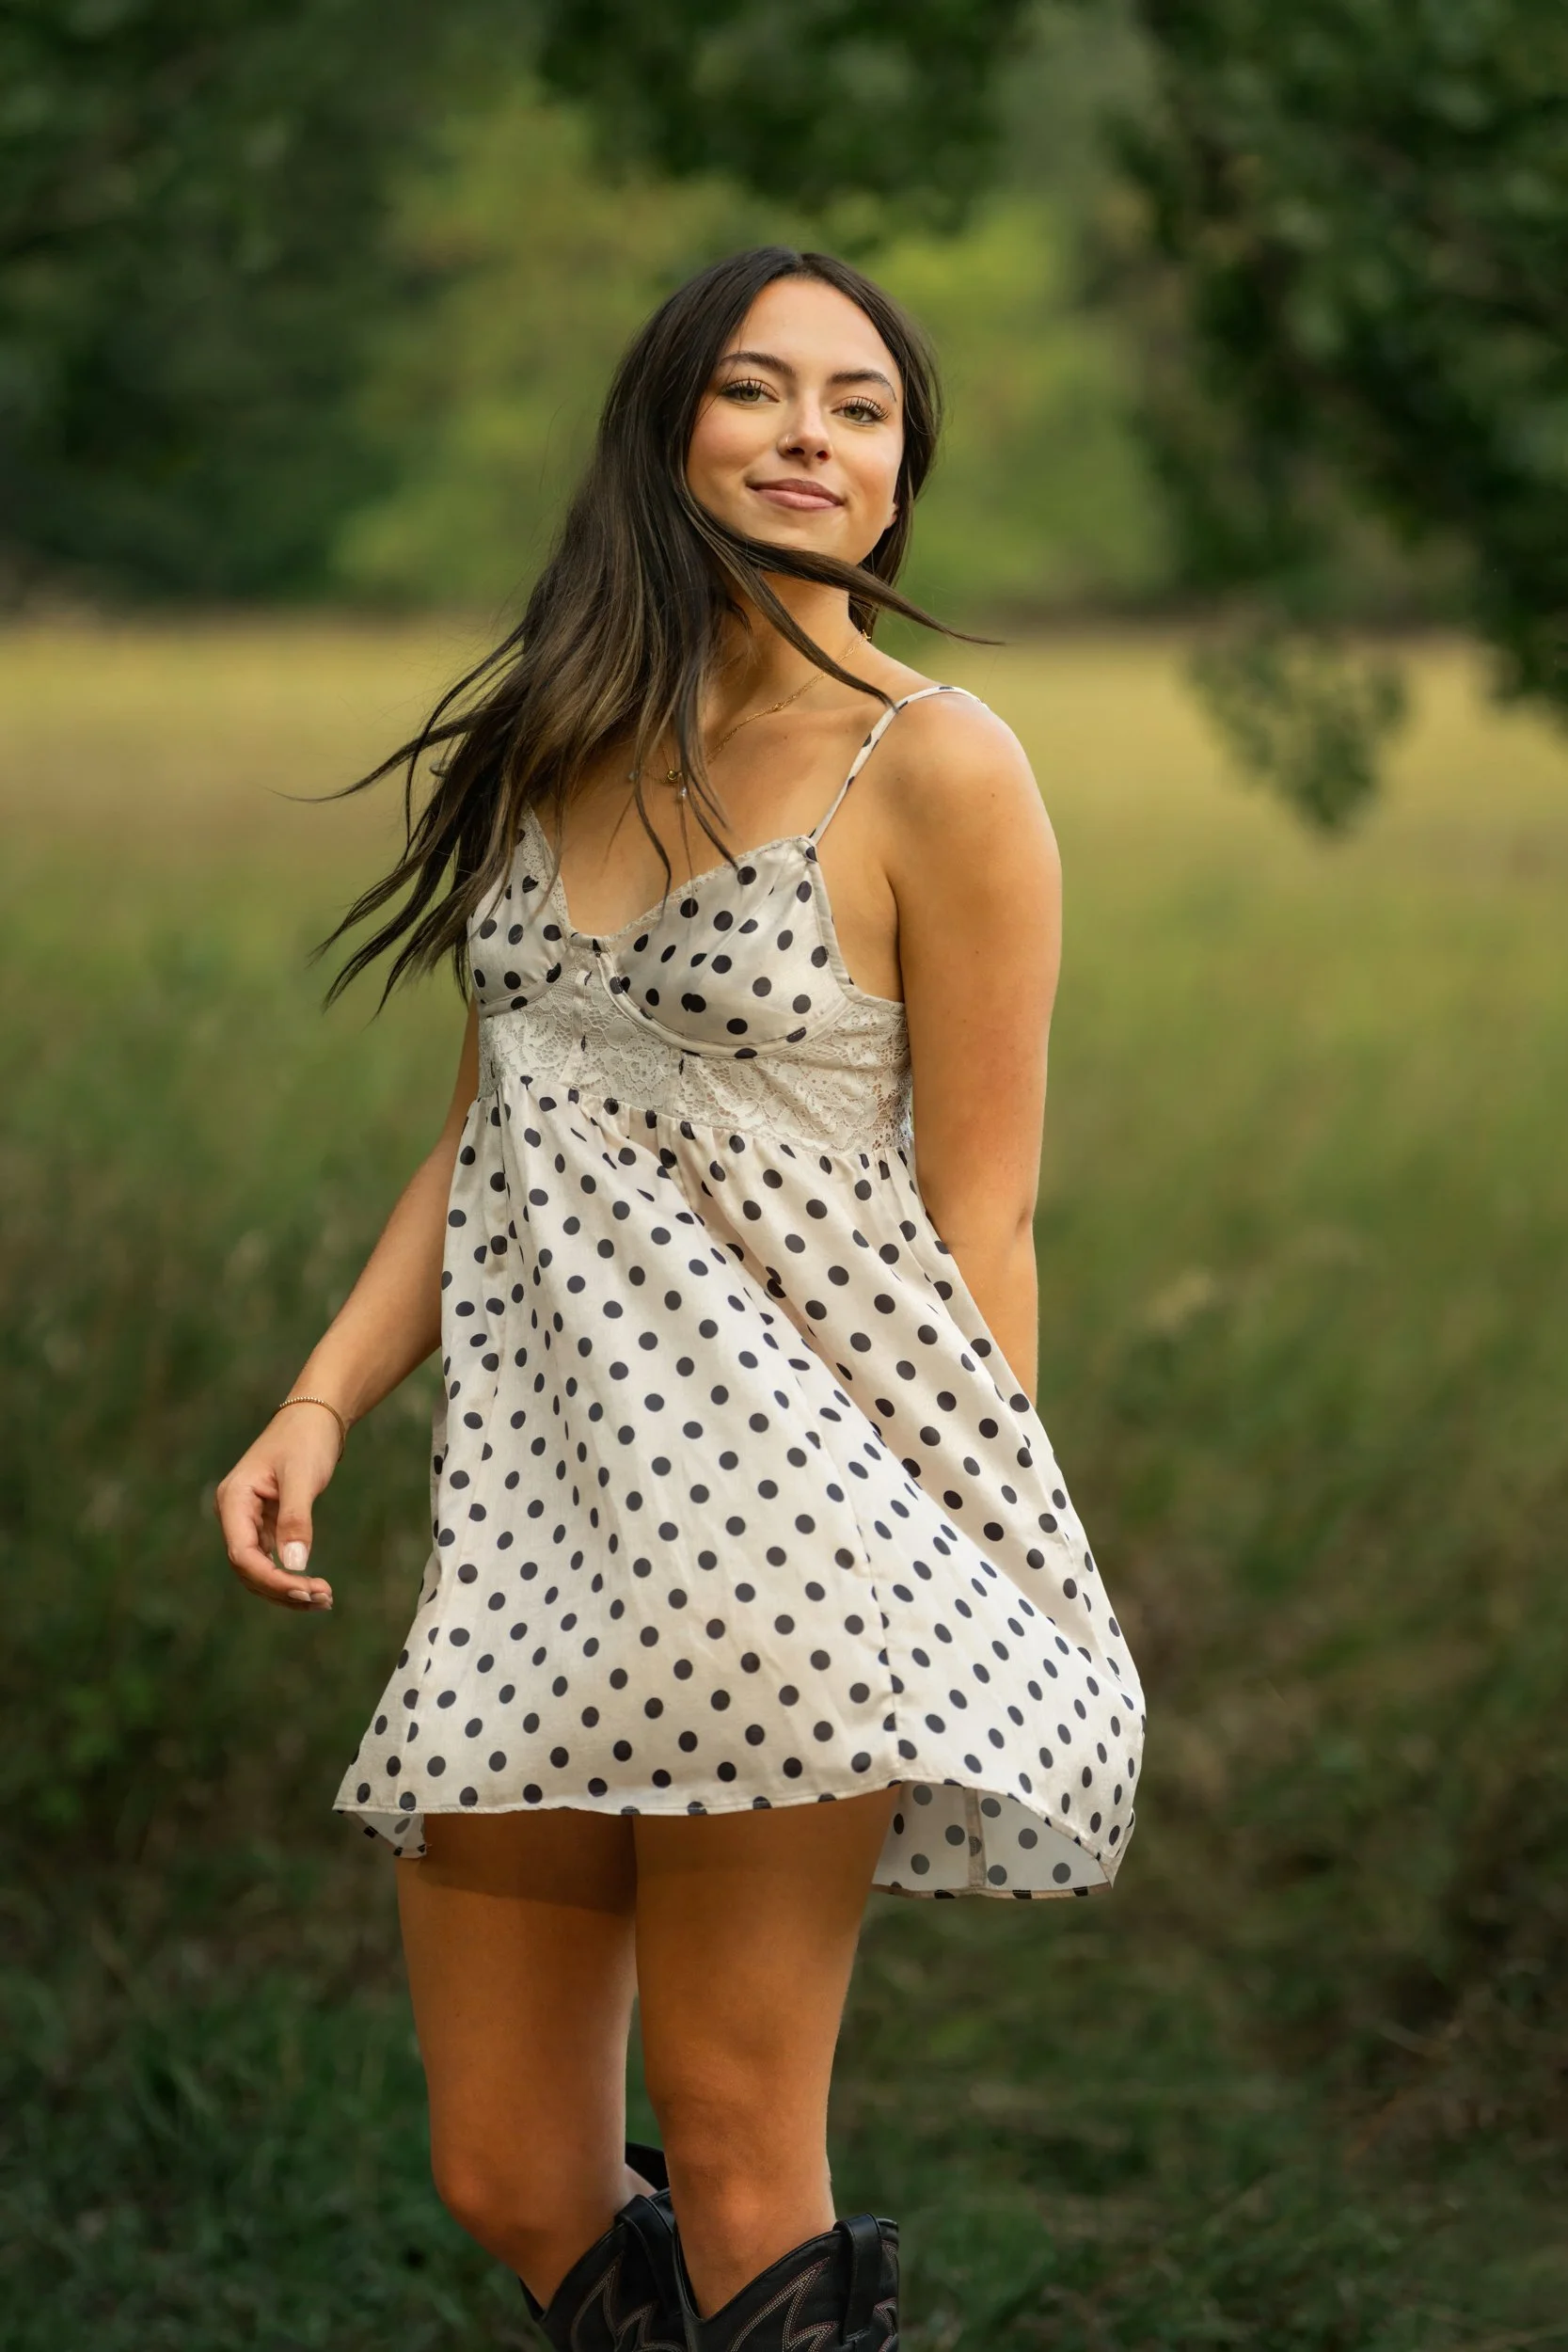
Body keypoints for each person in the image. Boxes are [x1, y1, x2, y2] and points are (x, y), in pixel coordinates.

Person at [215, 246, 1146, 2351]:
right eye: (756, 389)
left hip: (797, 1542)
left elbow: (984, 1212)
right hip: (537, 1537)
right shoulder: (562, 740)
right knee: (511, 2164)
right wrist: (321, 1400)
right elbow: (491, 1129)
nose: (810, 433)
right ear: (667, 429)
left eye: (861, 406)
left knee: (732, 2143)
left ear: (899, 480)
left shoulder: (939, 764)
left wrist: (965, 1559)